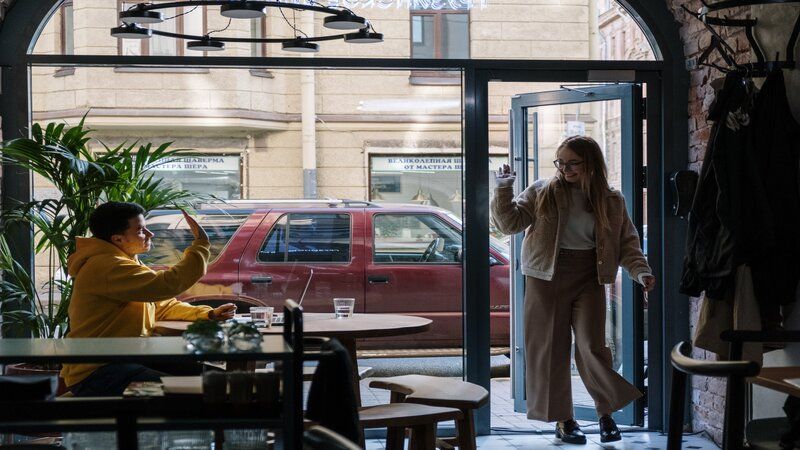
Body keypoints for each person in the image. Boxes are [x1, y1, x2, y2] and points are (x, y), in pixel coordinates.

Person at [491, 136, 655, 444]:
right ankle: (564, 421)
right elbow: (509, 223)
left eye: (572, 163)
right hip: (545, 278)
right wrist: (503, 188)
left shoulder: (611, 199)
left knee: (593, 347)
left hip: (590, 276)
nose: (564, 169)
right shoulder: (542, 191)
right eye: (560, 163)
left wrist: (640, 271)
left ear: (590, 164)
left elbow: (627, 243)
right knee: (550, 350)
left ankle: (605, 414)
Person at [60, 201, 237, 397]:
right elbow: (166, 284)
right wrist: (201, 244)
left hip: (128, 359)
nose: (150, 234)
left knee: (216, 380)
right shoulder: (107, 266)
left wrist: (208, 313)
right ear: (118, 239)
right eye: (141, 230)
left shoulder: (123, 260)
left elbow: (159, 305)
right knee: (191, 392)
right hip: (99, 372)